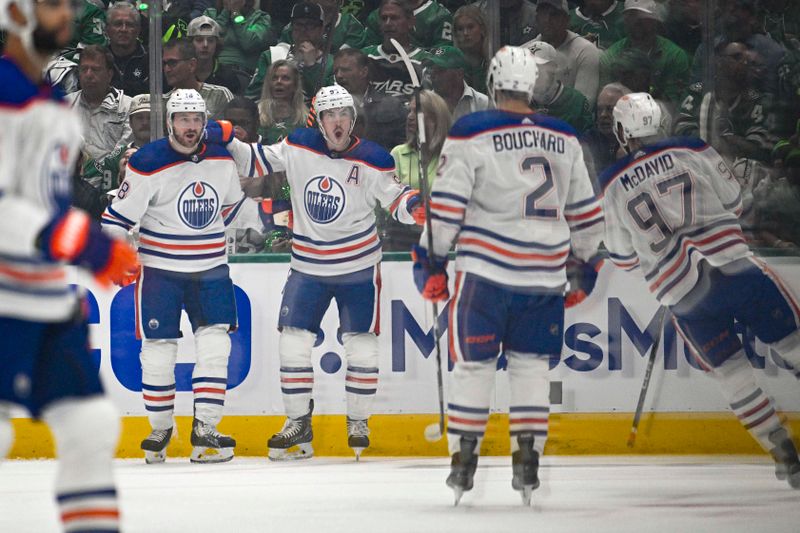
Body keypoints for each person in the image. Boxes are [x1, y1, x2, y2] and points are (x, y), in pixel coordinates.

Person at [412, 46, 603, 504]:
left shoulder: (472, 130)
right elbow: (585, 213)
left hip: (487, 274)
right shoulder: (564, 136)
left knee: (474, 366)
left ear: (494, 83)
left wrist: (431, 260)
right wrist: (585, 264)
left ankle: (464, 457)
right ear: (533, 84)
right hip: (544, 275)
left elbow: (449, 208)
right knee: (531, 367)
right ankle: (528, 457)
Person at [206, 85, 425, 460]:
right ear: (318, 120)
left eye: (344, 115)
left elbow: (395, 197)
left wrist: (415, 206)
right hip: (307, 266)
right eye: (330, 116)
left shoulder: (372, 158)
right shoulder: (298, 145)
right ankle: (297, 423)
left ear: (352, 119)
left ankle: (358, 421)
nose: (338, 122)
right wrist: (227, 138)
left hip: (358, 266)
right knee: (292, 341)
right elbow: (255, 161)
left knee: (361, 345)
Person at [600, 92, 800, 489]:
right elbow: (736, 201)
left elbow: (621, 257)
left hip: (686, 297)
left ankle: (783, 453)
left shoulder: (612, 184)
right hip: (736, 268)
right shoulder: (692, 148)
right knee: (794, 345)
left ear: (623, 131)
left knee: (732, 374)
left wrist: (659, 264)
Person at [0, 0, 139, 530]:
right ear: (14, 12)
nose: (66, 16)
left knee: (89, 427)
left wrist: (74, 239)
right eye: (52, 5)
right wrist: (83, 240)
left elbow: (45, 199)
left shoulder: (53, 100)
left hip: (48, 297)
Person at [101, 89, 245, 464]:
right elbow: (116, 219)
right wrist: (120, 255)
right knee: (158, 351)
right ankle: (160, 427)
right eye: (183, 119)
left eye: (197, 119)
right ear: (170, 123)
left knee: (216, 347)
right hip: (161, 272)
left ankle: (207, 428)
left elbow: (230, 205)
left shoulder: (221, 156)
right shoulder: (148, 162)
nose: (191, 127)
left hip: (212, 269)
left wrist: (205, 236)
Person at [384, 89, 451, 250]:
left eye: (418, 112)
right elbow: (386, 199)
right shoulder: (398, 154)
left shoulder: (451, 156)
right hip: (402, 240)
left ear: (436, 119)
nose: (410, 116)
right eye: (410, 110)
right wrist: (410, 206)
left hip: (442, 239)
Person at [162, 38, 234, 119]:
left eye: (172, 63)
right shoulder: (163, 103)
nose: (167, 69)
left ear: (192, 65)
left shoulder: (219, 95)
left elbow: (234, 129)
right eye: (164, 63)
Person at [188, 15, 243, 95]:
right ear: (190, 43)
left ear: (217, 44)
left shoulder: (228, 77)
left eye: (210, 40)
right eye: (199, 40)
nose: (205, 45)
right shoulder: (182, 73)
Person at [106, 1, 149, 97]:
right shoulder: (100, 58)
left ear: (138, 30)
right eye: (118, 24)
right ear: (107, 30)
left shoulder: (151, 58)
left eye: (129, 24)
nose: (123, 29)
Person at [452, 4, 489, 94]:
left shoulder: (494, 62)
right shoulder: (451, 67)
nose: (465, 33)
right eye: (460, 29)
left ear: (482, 29)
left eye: (470, 27)